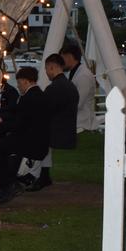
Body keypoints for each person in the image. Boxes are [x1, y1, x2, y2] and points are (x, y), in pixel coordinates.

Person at [0, 66, 49, 201]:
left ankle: (2, 187)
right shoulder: (37, 95)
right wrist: (1, 115)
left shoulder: (29, 98)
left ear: (26, 81)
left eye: (19, 83)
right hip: (35, 138)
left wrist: (1, 124)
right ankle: (2, 184)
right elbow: (18, 112)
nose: (18, 86)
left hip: (29, 141)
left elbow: (19, 124)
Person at [31, 53, 79, 191]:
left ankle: (33, 174)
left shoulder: (54, 88)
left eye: (46, 69)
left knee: (34, 136)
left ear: (51, 67)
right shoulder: (69, 86)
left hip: (57, 130)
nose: (46, 73)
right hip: (65, 128)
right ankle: (43, 175)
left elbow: (44, 111)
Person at [61, 42, 97, 132]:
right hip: (77, 124)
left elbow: (78, 103)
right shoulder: (74, 73)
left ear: (69, 57)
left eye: (61, 59)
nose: (60, 63)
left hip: (82, 126)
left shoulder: (83, 76)